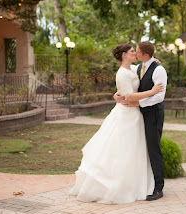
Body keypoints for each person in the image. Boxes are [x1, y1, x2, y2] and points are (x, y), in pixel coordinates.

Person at [69, 44, 164, 204]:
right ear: (125, 55)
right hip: (127, 114)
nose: (135, 53)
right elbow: (128, 96)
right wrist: (151, 92)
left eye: (137, 51)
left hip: (135, 115)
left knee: (135, 150)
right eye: (132, 51)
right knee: (122, 149)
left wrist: (155, 61)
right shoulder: (122, 74)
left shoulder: (134, 69)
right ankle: (119, 185)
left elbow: (140, 74)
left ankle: (139, 183)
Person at [114, 41, 167, 201]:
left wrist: (138, 103)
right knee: (143, 147)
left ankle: (159, 188)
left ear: (145, 55)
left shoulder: (159, 69)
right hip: (140, 113)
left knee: (154, 148)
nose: (135, 54)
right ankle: (146, 182)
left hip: (154, 114)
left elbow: (159, 96)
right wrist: (115, 95)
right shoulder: (137, 68)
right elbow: (125, 84)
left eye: (137, 51)